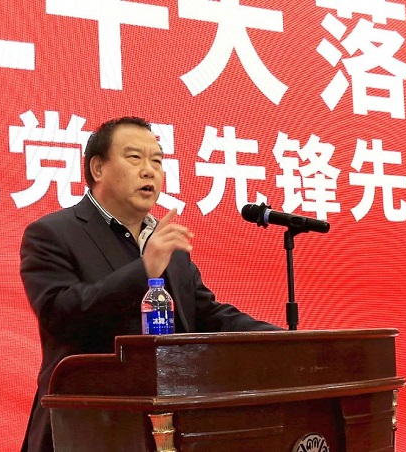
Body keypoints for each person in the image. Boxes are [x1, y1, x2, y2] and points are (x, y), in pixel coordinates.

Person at [19, 116, 281, 451]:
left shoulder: (165, 242)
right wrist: (144, 270)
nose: (150, 171)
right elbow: (61, 315)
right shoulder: (53, 233)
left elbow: (205, 314)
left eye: (157, 161)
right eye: (135, 158)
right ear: (97, 168)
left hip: (170, 425)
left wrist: (281, 340)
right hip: (87, 427)